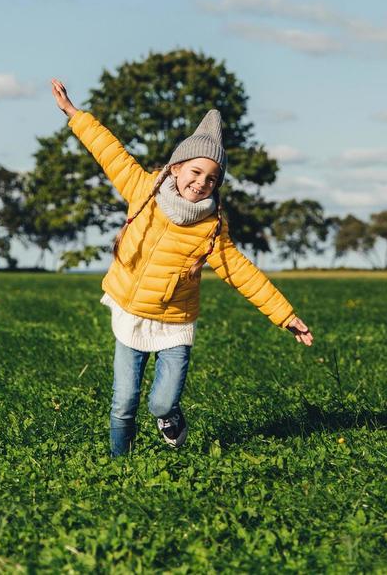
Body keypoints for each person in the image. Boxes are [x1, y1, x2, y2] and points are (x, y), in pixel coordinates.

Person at [50, 79, 314, 457]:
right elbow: (108, 151)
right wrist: (75, 115)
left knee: (159, 403)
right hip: (131, 314)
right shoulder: (143, 188)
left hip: (175, 322)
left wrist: (285, 316)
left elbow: (243, 274)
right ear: (175, 168)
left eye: (211, 178)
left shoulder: (211, 228)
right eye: (194, 172)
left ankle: (169, 417)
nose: (200, 182)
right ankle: (115, 467)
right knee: (123, 402)